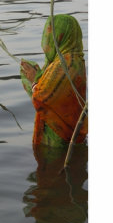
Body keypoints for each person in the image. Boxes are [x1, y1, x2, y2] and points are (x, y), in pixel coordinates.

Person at [20, 14, 88, 147]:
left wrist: (34, 80)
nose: (46, 39)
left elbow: (42, 97)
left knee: (52, 165)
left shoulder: (64, 64)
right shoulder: (75, 59)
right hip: (73, 134)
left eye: (49, 33)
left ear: (59, 36)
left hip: (58, 141)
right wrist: (40, 76)